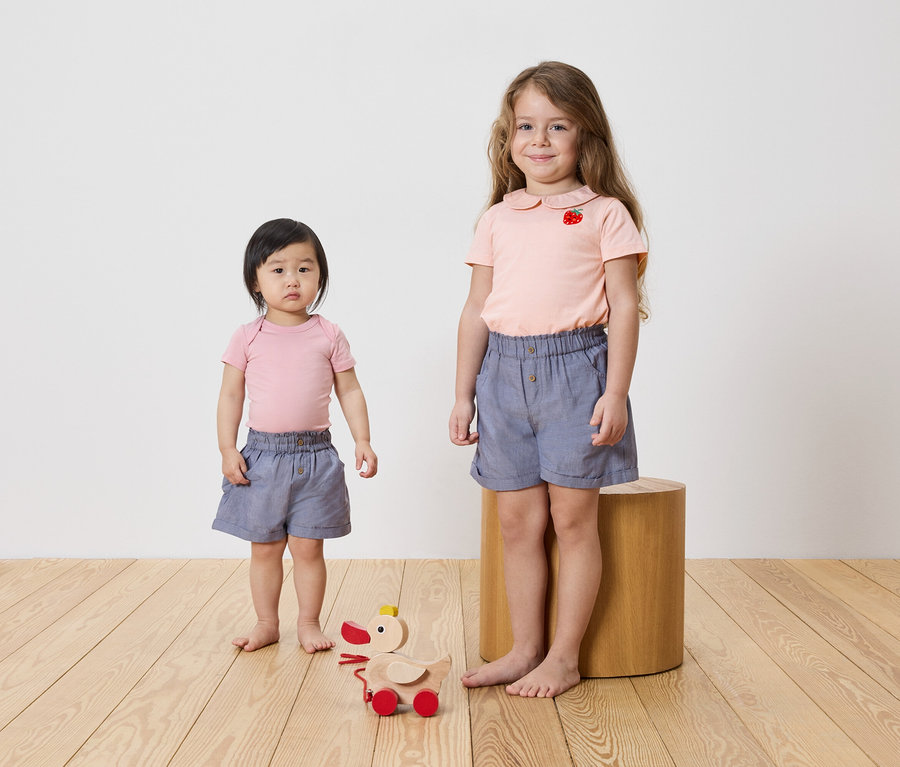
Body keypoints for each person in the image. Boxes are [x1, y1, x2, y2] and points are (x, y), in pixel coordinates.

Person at [450, 61, 648, 698]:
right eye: (525, 126)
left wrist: (614, 391)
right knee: (517, 522)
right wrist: (462, 392)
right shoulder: (498, 218)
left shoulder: (604, 214)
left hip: (577, 373)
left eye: (556, 125)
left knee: (573, 520)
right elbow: (476, 307)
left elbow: (623, 305)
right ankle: (526, 647)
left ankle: (564, 656)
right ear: (508, 138)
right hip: (502, 375)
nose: (539, 139)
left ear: (585, 136)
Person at [214, 218, 377, 653]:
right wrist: (228, 448)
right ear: (255, 280)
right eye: (278, 269)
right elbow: (231, 394)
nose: (292, 280)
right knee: (265, 549)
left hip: (315, 456)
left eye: (305, 269)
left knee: (308, 548)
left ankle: (308, 623)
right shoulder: (248, 336)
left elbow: (350, 388)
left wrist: (362, 438)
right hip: (262, 459)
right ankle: (267, 622)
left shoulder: (327, 333)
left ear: (320, 276)